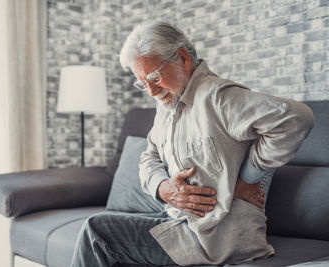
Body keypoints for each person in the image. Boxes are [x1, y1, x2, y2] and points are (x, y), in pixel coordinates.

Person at [70, 21, 314, 267]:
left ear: (183, 59)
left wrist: (247, 177)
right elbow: (149, 155)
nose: (151, 91)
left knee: (97, 232)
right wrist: (163, 187)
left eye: (154, 77)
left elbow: (296, 118)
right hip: (178, 223)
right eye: (142, 83)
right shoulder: (167, 103)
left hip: (213, 238)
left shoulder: (218, 97)